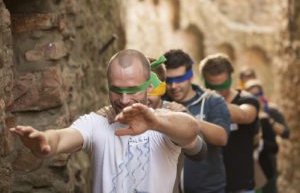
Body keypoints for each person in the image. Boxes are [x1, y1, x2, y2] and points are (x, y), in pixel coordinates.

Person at [10, 49, 204, 193]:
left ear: (149, 88)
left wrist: (155, 122)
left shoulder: (163, 122)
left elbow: (191, 129)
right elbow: (62, 137)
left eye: (132, 90)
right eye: (117, 90)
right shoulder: (97, 123)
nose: (124, 99)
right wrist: (45, 141)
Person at [163, 49, 231, 193]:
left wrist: (189, 120)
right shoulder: (161, 103)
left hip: (208, 190)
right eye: (169, 80)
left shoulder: (212, 101)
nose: (174, 86)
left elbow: (222, 137)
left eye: (179, 79)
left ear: (190, 77)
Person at [199, 53, 260, 193]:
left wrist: (212, 101)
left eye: (223, 86)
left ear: (231, 78)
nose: (219, 92)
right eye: (213, 87)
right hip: (208, 185)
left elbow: (246, 115)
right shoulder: (200, 102)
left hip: (240, 185)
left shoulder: (246, 99)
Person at [245, 79, 290, 193]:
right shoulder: (244, 114)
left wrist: (269, 122)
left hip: (268, 166)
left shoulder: (271, 112)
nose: (256, 97)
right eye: (252, 94)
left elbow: (285, 133)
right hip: (249, 170)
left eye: (258, 94)